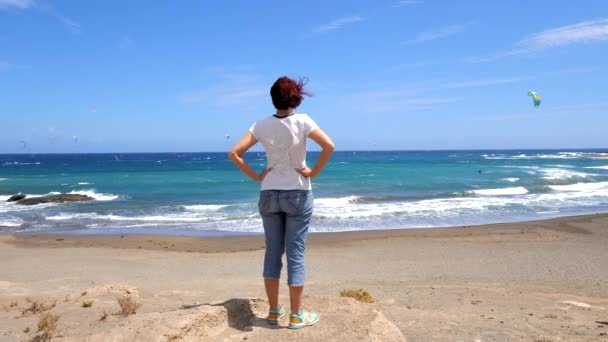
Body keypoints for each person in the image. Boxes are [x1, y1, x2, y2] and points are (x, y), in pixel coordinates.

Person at [229, 76, 334, 329]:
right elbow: (328, 145)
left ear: (273, 98)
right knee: (295, 254)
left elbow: (234, 153)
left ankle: (274, 312)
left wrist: (256, 176)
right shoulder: (304, 120)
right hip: (297, 192)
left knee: (272, 252)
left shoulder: (261, 124)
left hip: (269, 193)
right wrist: (314, 172)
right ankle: (296, 316)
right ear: (295, 97)